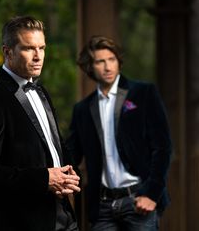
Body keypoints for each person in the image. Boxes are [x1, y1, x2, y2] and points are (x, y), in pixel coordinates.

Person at [0, 16, 81, 231]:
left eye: (42, 48)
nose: (38, 56)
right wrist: (43, 179)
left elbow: (55, 145)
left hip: (65, 216)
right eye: (29, 48)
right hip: (27, 222)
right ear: (7, 51)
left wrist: (71, 173)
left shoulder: (42, 91)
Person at [66, 35, 172, 231]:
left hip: (139, 201)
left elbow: (163, 147)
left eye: (111, 60)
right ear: (90, 67)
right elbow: (71, 155)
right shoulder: (82, 109)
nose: (107, 67)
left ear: (118, 62)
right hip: (102, 206)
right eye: (100, 61)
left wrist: (152, 193)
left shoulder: (144, 93)